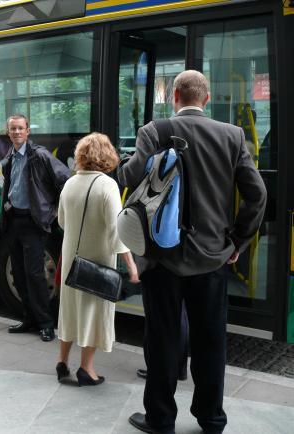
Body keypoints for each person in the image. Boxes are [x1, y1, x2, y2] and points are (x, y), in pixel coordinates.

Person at [118, 70, 266, 434]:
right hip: (213, 258)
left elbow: (129, 178)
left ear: (175, 96)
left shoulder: (154, 130)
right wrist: (236, 242)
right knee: (211, 342)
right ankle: (211, 419)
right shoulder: (232, 136)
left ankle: (160, 420)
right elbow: (257, 195)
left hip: (163, 258)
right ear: (207, 98)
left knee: (162, 340)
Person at [55, 132, 139, 386]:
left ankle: (62, 362)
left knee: (69, 310)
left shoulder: (70, 183)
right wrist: (132, 266)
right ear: (107, 155)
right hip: (98, 260)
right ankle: (86, 369)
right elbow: (117, 230)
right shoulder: (107, 185)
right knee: (92, 311)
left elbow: (61, 221)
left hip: (72, 257)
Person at [1, 114, 70, 342]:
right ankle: (29, 319)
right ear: (8, 132)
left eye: (20, 128)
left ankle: (46, 324)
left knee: (35, 274)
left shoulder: (39, 155)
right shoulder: (10, 157)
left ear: (28, 131)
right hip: (13, 221)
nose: (17, 132)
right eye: (13, 129)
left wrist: (52, 212)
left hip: (33, 223)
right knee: (18, 274)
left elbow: (65, 180)